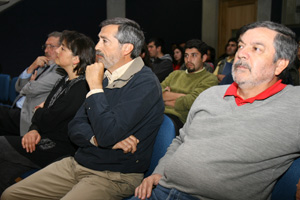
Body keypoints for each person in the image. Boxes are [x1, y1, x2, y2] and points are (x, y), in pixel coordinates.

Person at [130, 21, 299, 200]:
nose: (241, 53)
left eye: (256, 48)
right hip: (162, 190)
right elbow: (180, 140)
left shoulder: (294, 103)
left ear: (280, 64)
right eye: (241, 45)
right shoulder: (211, 95)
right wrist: (159, 171)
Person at [1, 17, 164, 200]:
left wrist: (95, 89)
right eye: (98, 39)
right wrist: (95, 138)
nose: (97, 46)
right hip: (78, 163)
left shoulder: (144, 83)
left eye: (105, 41)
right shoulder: (104, 76)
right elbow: (75, 126)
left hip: (113, 175)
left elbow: (108, 133)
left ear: (126, 48)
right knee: (10, 195)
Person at [0, 30, 94, 194]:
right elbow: (43, 114)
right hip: (42, 137)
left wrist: (40, 113)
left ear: (76, 59)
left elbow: (50, 117)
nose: (56, 51)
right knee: (5, 171)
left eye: (62, 48)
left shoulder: (80, 87)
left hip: (58, 149)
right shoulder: (65, 80)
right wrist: (34, 128)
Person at [0, 32, 63, 136]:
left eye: (51, 47)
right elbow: (18, 87)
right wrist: (32, 67)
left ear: (62, 49)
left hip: (27, 118)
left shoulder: (60, 71)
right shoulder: (43, 65)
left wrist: (31, 84)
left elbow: (28, 89)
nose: (46, 50)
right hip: (17, 110)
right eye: (45, 46)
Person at [161, 39, 218, 134]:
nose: (189, 60)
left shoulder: (210, 79)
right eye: (186, 56)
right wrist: (183, 96)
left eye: (194, 55)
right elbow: (156, 92)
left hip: (182, 121)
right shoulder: (175, 74)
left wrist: (166, 98)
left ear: (204, 58)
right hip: (158, 114)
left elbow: (192, 102)